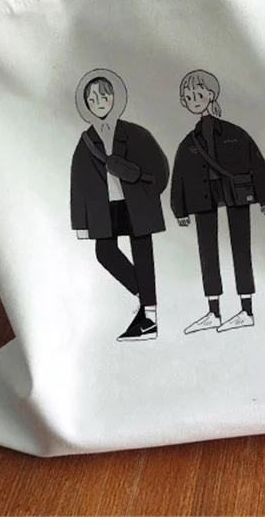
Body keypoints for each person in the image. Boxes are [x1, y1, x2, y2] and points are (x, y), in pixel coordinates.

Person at [170, 70, 265, 334]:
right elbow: (179, 175)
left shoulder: (234, 133)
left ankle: (246, 309)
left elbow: (255, 161)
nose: (194, 100)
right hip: (202, 196)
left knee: (241, 247)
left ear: (211, 94)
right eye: (189, 97)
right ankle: (214, 311)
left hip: (235, 193)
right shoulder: (189, 141)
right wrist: (179, 209)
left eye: (198, 94)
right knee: (207, 252)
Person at [70, 69, 169, 341]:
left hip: (136, 205)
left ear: (114, 98)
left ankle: (150, 318)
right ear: (87, 104)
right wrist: (81, 223)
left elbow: (160, 169)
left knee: (143, 256)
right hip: (105, 209)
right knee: (105, 252)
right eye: (92, 99)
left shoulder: (136, 133)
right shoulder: (87, 141)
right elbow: (78, 182)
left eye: (104, 96)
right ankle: (145, 299)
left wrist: (149, 195)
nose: (99, 103)